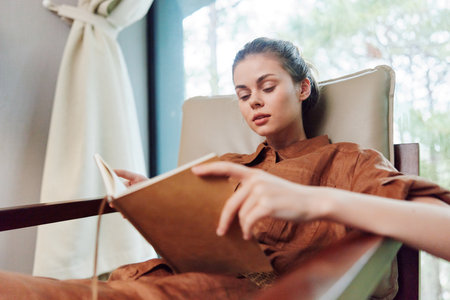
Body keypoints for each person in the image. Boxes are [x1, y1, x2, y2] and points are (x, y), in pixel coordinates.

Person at [0, 37, 449, 300]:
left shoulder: (348, 160)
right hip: (160, 276)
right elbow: (191, 233)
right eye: (242, 92)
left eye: (267, 86)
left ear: (302, 87)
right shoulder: (225, 167)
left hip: (246, 290)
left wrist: (312, 199)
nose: (253, 100)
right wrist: (155, 196)